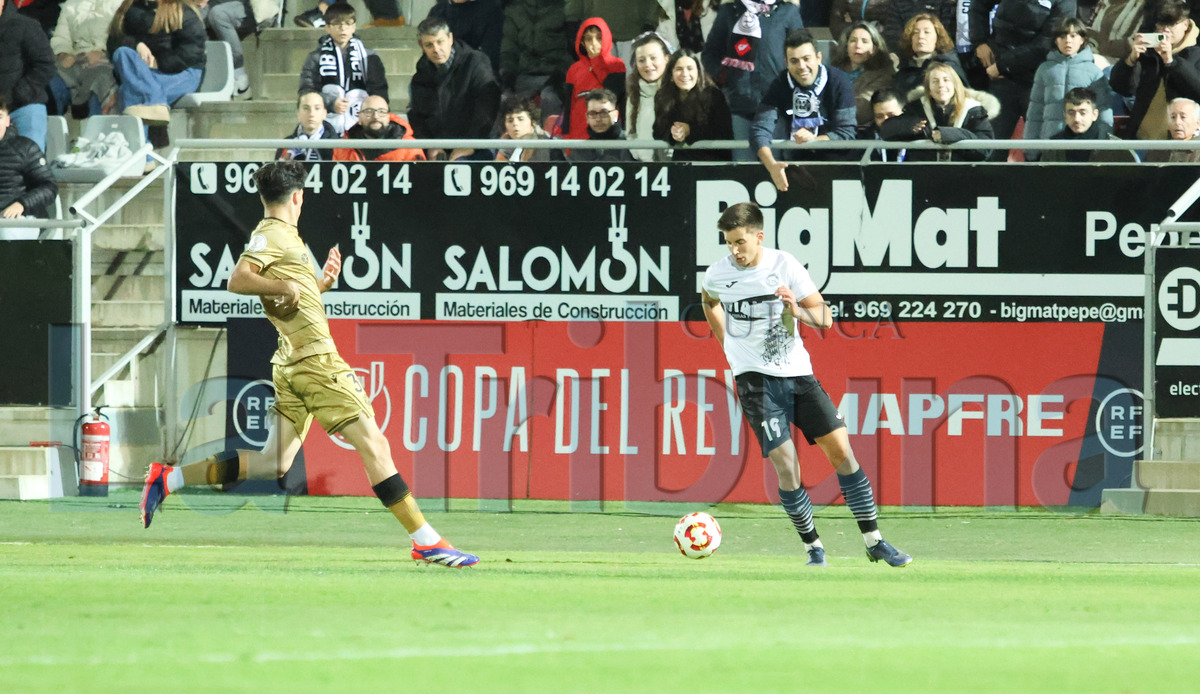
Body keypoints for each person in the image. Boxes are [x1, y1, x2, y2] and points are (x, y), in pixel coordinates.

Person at [139, 160, 479, 568]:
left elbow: (288, 297)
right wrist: (281, 284)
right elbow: (238, 279)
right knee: (374, 445)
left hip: (290, 359)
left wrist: (318, 286)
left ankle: (168, 478)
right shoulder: (272, 235)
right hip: (315, 361)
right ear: (297, 197)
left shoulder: (285, 239)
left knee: (272, 463)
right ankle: (425, 540)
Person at [700, 202, 912, 569]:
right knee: (786, 464)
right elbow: (709, 301)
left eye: (739, 242)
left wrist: (796, 311)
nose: (734, 251)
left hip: (798, 376)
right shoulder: (718, 274)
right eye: (728, 243)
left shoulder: (786, 265)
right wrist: (728, 346)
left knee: (842, 454)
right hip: (755, 381)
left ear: (758, 236)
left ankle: (874, 542)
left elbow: (825, 319)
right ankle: (813, 547)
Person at [752, 29, 858, 192]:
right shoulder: (780, 84)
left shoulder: (839, 82)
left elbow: (847, 133)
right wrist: (771, 165)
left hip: (838, 166)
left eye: (806, 59)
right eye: (794, 61)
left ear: (819, 58)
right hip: (797, 166)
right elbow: (760, 128)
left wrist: (815, 139)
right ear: (786, 63)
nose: (801, 66)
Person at [702, 0, 804, 162]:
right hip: (739, 106)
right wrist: (725, 76)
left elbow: (802, 52)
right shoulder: (729, 11)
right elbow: (710, 53)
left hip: (776, 108)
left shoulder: (788, 11)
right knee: (744, 171)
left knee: (775, 170)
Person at [969, 0, 1078, 147]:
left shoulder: (1066, 2)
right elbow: (978, 6)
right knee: (992, 147)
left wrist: (1004, 65)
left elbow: (1047, 42)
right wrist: (980, 41)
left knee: (1038, 150)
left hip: (1038, 82)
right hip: (1001, 80)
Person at [107, 0, 206, 137]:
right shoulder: (129, 8)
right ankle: (153, 103)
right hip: (144, 74)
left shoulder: (180, 10)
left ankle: (141, 155)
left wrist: (158, 63)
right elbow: (113, 42)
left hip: (182, 72)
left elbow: (191, 52)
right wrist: (136, 45)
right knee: (123, 53)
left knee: (132, 95)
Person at [408, 16, 501, 161]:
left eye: (440, 42)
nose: (436, 50)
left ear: (450, 39)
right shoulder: (419, 77)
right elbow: (418, 117)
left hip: (480, 142)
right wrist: (430, 145)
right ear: (421, 46)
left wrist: (470, 144)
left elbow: (488, 107)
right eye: (429, 45)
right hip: (440, 146)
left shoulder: (475, 62)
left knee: (458, 170)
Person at [1023, 17, 1115, 159]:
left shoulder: (1094, 72)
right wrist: (1031, 148)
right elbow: (1035, 112)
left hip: (1084, 145)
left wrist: (1102, 146)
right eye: (1062, 36)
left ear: (1082, 39)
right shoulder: (1044, 70)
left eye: (1073, 36)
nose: (1068, 40)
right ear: (1055, 40)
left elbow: (1103, 111)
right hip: (1049, 145)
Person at [1110, 0, 1200, 140]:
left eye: (1171, 24)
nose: (1165, 30)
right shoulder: (1148, 54)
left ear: (1186, 24)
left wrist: (1172, 62)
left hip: (1182, 142)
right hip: (1141, 139)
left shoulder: (1196, 55)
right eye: (1161, 25)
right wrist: (1130, 60)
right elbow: (1122, 87)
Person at [297, 3, 389, 135]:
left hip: (361, 124)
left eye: (348, 23)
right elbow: (306, 91)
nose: (343, 28)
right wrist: (330, 103)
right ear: (327, 27)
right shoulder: (315, 57)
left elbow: (379, 91)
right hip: (326, 125)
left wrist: (369, 112)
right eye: (337, 24)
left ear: (354, 26)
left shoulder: (369, 57)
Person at [880, 61, 999, 160]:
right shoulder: (917, 108)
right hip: (924, 175)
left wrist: (948, 134)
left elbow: (985, 148)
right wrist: (908, 126)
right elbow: (886, 131)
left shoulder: (973, 111)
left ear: (955, 85)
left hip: (963, 176)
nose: (941, 85)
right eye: (935, 81)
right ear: (928, 88)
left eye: (946, 80)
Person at [652, 48, 733, 160]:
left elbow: (723, 133)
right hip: (681, 162)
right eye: (679, 69)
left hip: (712, 161)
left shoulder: (714, 95)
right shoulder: (662, 96)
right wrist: (672, 132)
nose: (685, 74)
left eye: (690, 69)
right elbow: (658, 131)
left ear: (698, 73)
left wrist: (690, 130)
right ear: (671, 74)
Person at [49, 0, 122, 119]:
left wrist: (102, 52)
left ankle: (99, 131)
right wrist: (63, 53)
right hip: (75, 61)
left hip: (106, 61)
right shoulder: (71, 5)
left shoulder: (120, 4)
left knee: (101, 79)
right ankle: (53, 130)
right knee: (51, 81)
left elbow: (121, 36)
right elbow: (61, 37)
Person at [499, 0, 573, 117]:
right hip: (524, 73)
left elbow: (572, 47)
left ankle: (551, 134)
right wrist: (508, 75)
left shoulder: (565, 7)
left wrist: (562, 72)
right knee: (505, 99)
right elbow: (509, 48)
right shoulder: (514, 9)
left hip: (555, 73)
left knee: (550, 98)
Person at [0, 0, 55, 152]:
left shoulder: (25, 25)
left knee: (30, 163)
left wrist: (22, 93)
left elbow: (46, 65)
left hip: (25, 109)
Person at [0, 97, 57, 241]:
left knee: (5, 232)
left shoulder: (25, 148)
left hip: (20, 220)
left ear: (7, 120)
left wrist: (22, 204)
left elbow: (49, 186)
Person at [562, 17, 626, 139]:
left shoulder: (617, 65)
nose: (594, 43)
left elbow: (616, 95)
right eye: (588, 39)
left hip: (609, 134)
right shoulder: (573, 69)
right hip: (579, 136)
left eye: (599, 38)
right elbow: (568, 107)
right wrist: (566, 137)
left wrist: (597, 61)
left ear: (607, 39)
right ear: (582, 42)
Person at [204, 0, 283, 100]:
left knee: (218, 14)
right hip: (214, 4)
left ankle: (240, 79)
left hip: (250, 7)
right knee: (189, 15)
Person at [831, 21, 898, 127]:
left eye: (865, 41)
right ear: (846, 47)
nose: (858, 45)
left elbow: (862, 111)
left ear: (874, 49)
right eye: (853, 41)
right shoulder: (832, 72)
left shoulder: (883, 75)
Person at [1041, 87, 1131, 161]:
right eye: (1071, 113)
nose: (1077, 119)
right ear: (1065, 115)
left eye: (1083, 113)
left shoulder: (1116, 148)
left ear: (1094, 115)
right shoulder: (1053, 147)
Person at [891, 13, 968, 99]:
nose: (920, 36)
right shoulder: (904, 71)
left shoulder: (947, 66)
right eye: (915, 33)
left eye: (927, 32)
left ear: (937, 38)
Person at [332, 94, 425, 162]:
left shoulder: (410, 146)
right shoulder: (344, 147)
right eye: (369, 111)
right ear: (359, 118)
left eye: (381, 111)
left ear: (388, 118)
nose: (376, 116)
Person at [626, 31, 673, 161]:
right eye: (641, 60)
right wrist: (639, 155)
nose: (647, 64)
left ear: (666, 58)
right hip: (645, 169)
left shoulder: (677, 90)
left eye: (653, 58)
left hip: (675, 168)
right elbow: (631, 133)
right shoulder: (634, 94)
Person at [425, 0, 504, 75]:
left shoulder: (490, 10)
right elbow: (428, 55)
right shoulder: (437, 11)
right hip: (439, 73)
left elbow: (489, 58)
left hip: (474, 76)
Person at [565, 0, 662, 61]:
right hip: (598, 35)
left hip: (633, 33)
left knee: (631, 84)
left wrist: (650, 24)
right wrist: (571, 22)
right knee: (601, 85)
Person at [567, 88, 636, 161]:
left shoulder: (631, 146)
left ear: (616, 114)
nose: (598, 119)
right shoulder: (579, 152)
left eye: (604, 113)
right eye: (592, 114)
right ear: (587, 117)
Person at [496, 95, 564, 162]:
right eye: (510, 120)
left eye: (520, 119)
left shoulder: (542, 144)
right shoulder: (506, 144)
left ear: (532, 122)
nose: (515, 124)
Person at [277, 91, 340, 161]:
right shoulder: (286, 145)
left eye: (317, 108)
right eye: (306, 108)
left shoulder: (338, 146)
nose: (311, 114)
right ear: (298, 113)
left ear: (324, 113)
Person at [883, 0, 959, 51]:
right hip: (907, 56)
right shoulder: (898, 3)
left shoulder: (944, 3)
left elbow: (948, 33)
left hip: (940, 55)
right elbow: (892, 35)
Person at [860, 88, 908, 160]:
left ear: (904, 113)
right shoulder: (863, 140)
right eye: (879, 116)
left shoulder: (918, 137)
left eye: (891, 115)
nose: (886, 120)